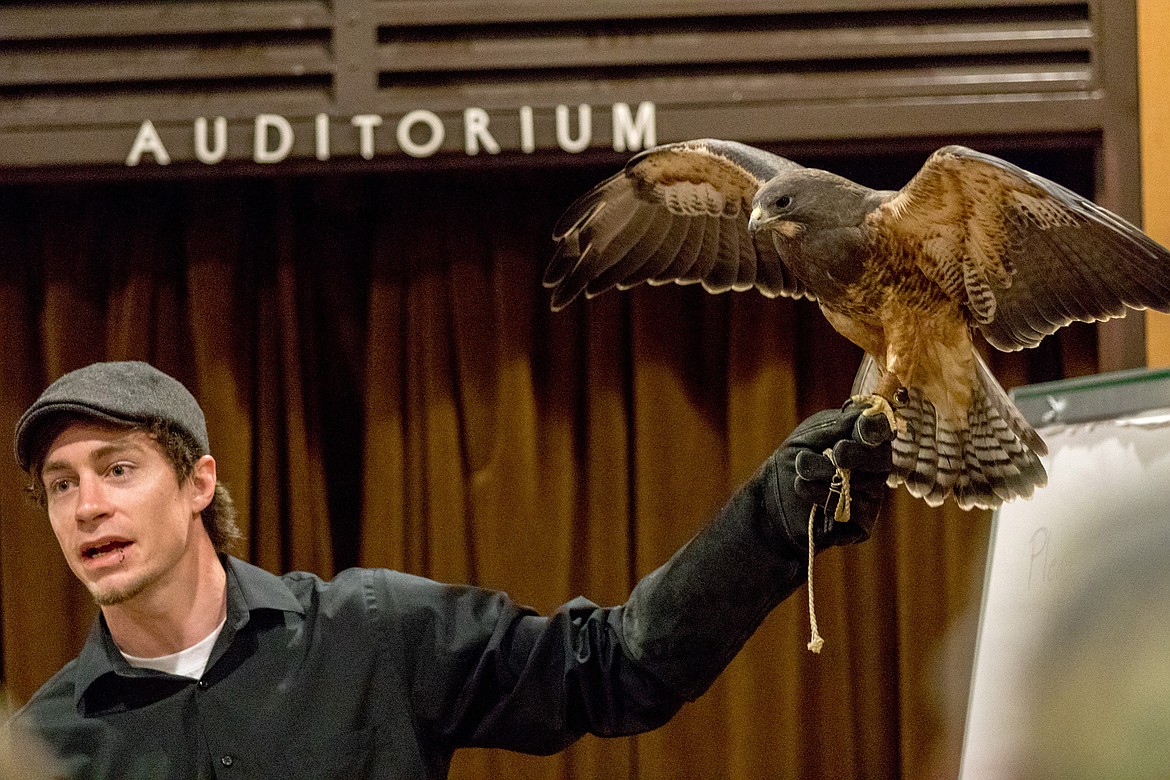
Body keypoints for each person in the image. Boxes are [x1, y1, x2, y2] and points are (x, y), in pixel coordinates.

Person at [3, 361, 893, 779]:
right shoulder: (40, 750)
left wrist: (773, 527)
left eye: (118, 469)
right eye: (59, 486)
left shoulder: (373, 629)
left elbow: (620, 668)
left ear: (198, 482)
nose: (87, 506)